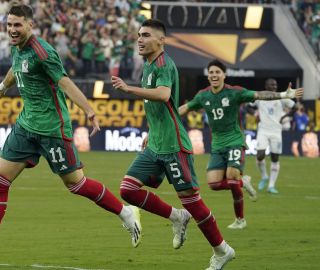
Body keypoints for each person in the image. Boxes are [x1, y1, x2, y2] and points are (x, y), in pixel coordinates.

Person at [0, 4, 141, 264]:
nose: (12, 30)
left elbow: (64, 82)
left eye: (17, 25)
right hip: (26, 126)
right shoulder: (17, 47)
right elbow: (16, 68)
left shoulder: (43, 52)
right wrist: (2, 86)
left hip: (52, 130)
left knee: (76, 184)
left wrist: (88, 110)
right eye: (9, 25)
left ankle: (126, 213)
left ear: (30, 25)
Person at [111, 20, 235, 270]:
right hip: (156, 143)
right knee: (128, 189)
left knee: (193, 202)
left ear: (161, 40)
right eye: (138, 35)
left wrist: (129, 88)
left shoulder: (163, 64)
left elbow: (164, 95)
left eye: (146, 35)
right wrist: (151, 129)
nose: (140, 39)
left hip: (174, 145)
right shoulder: (147, 65)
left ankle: (222, 250)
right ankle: (176, 216)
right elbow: (160, 108)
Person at [179, 59, 303, 231]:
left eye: (217, 72)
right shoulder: (203, 95)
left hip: (235, 141)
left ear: (224, 75)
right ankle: (243, 182)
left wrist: (283, 95)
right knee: (214, 184)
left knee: (231, 178)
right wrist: (167, 116)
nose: (214, 75)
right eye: (211, 72)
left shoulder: (235, 92)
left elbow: (260, 95)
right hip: (217, 145)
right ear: (208, 76)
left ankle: (240, 219)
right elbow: (185, 108)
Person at [253, 78, 296, 194]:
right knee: (260, 155)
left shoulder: (281, 97)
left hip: (276, 131)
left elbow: (295, 107)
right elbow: (249, 105)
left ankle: (271, 186)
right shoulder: (260, 97)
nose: (274, 87)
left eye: (275, 85)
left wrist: (283, 117)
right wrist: (254, 114)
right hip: (263, 130)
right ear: (266, 86)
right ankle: (264, 176)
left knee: (275, 158)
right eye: (272, 85)